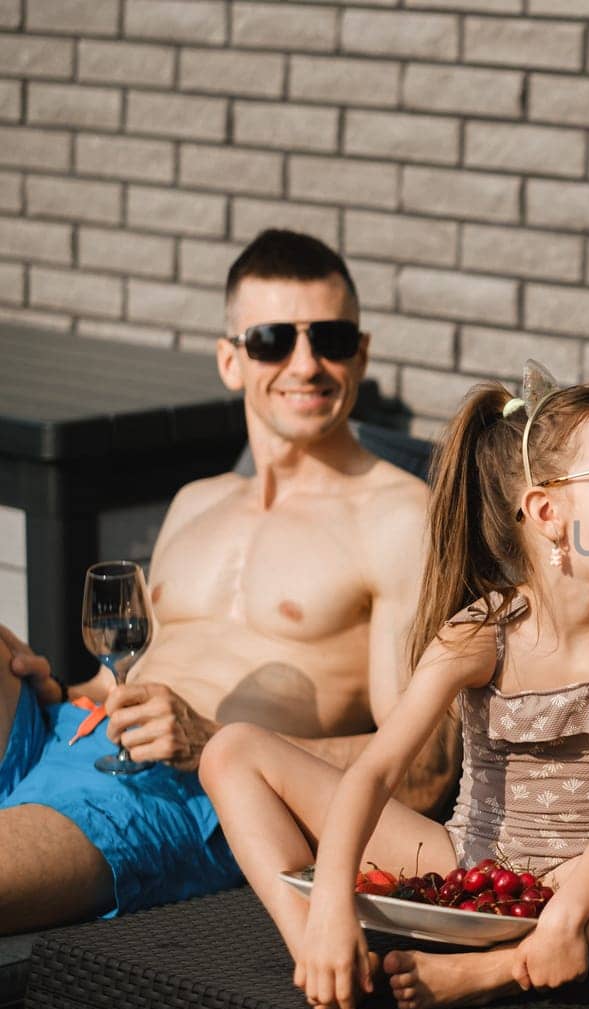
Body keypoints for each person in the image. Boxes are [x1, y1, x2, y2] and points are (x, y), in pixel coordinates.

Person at [199, 371, 589, 1009]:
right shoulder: (479, 634)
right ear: (547, 513)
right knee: (231, 751)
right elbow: (375, 772)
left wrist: (567, 909)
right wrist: (333, 901)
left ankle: (500, 971)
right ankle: (320, 948)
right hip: (465, 867)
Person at [0, 229, 451, 934]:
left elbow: (424, 766)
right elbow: (125, 681)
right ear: (231, 360)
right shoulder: (196, 500)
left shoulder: (398, 519)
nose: (306, 364)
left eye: (329, 338)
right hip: (79, 735)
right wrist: (49, 683)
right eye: (273, 339)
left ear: (360, 352)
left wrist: (212, 739)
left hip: (188, 793)